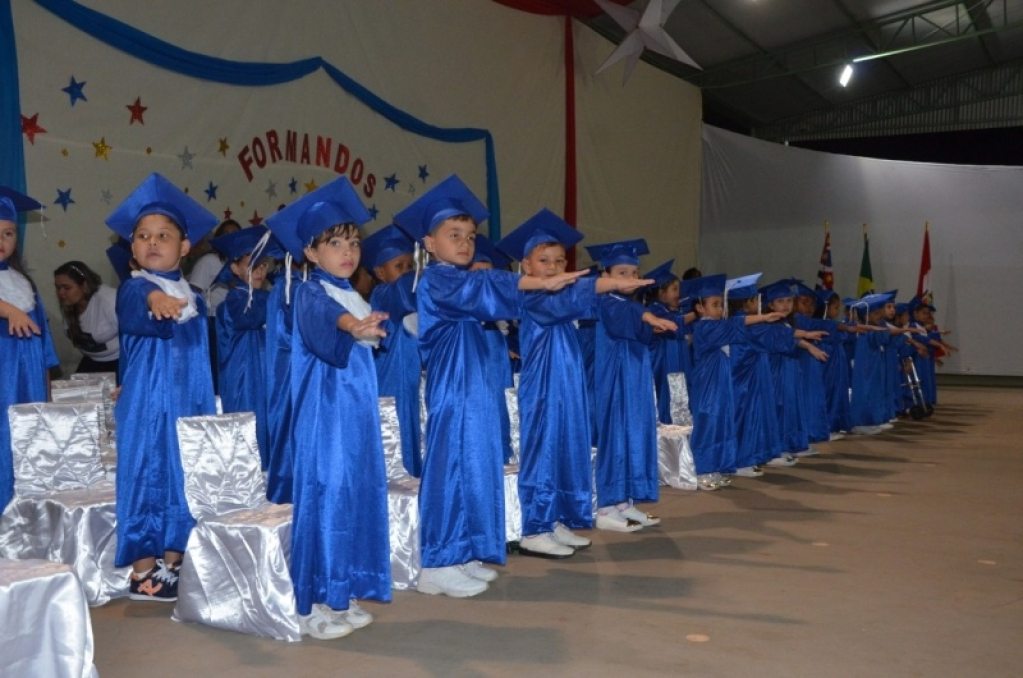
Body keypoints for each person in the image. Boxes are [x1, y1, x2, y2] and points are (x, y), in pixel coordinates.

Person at [393, 175, 586, 598]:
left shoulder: (458, 279)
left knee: (476, 467)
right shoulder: (437, 280)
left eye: (471, 235)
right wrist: (538, 282)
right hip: (453, 393)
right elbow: (482, 287)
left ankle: (462, 552)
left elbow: (483, 289)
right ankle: (436, 562)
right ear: (429, 243)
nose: (465, 242)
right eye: (453, 235)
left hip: (476, 392)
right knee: (450, 470)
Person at [265, 177, 392, 639]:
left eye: (354, 242)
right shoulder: (309, 293)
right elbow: (326, 321)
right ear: (311, 254)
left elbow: (357, 327)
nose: (348, 251)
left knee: (355, 493)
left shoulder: (356, 294)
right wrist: (352, 326)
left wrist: (367, 324)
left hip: (355, 419)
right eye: (335, 243)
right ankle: (311, 599)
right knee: (326, 496)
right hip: (326, 417)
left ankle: (343, 589)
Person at [497, 209, 653, 557]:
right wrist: (609, 283)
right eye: (543, 260)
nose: (552, 267)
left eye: (558, 260)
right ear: (526, 266)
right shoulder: (534, 297)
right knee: (543, 451)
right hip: (543, 387)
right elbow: (570, 299)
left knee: (567, 449)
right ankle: (534, 527)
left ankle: (555, 518)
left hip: (567, 384)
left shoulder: (561, 297)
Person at [105, 173, 218, 602]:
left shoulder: (196, 298)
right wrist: (158, 300)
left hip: (189, 402)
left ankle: (174, 562)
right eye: (143, 236)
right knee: (144, 477)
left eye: (164, 235)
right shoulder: (136, 289)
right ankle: (143, 571)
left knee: (182, 477)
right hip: (149, 405)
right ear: (132, 248)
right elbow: (140, 305)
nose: (153, 242)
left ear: (185, 247)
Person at [586, 239, 677, 532]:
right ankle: (605, 507)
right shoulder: (605, 302)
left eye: (634, 273)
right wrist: (648, 316)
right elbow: (625, 319)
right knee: (616, 436)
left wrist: (653, 322)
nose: (629, 279)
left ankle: (624, 501)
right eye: (621, 272)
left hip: (633, 379)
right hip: (613, 381)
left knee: (633, 433)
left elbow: (643, 332)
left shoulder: (630, 304)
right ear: (605, 275)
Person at [688, 275, 786, 488]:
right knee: (708, 425)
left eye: (721, 304)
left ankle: (715, 467)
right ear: (699, 308)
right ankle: (701, 470)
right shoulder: (703, 328)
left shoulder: (716, 326)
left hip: (720, 386)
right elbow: (732, 325)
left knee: (721, 424)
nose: (720, 309)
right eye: (714, 305)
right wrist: (760, 318)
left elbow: (737, 331)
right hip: (707, 387)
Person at [0, 187, 58, 512]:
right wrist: (7, 310)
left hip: (28, 388)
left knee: (28, 451)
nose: (1, 240)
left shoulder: (25, 285)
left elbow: (44, 345)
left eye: (8, 233)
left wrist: (47, 398)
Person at [363, 224, 422, 478]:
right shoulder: (383, 295)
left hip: (409, 382)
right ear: (380, 272)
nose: (407, 272)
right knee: (393, 440)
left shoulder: (407, 300)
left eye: (410, 266)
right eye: (399, 266)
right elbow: (406, 292)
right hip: (389, 381)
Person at [210, 226, 272, 468]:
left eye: (264, 265)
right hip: (244, 381)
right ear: (235, 269)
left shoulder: (263, 296)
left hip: (264, 378)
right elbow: (251, 317)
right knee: (248, 437)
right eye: (251, 265)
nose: (259, 271)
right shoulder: (234, 302)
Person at [263, 232, 305, 505]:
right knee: (292, 431)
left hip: (293, 369)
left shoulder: (294, 285)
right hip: (292, 371)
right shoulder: (290, 287)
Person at [469, 234, 516, 463]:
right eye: (477, 274)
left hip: (496, 371)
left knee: (499, 409)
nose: (484, 281)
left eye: (489, 275)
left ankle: (501, 454)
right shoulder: (461, 321)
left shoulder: (498, 321)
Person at [188, 219, 241, 391]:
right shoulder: (210, 260)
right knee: (216, 363)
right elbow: (194, 289)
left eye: (235, 233)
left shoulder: (241, 262)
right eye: (227, 233)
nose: (231, 237)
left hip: (234, 319)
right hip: (214, 318)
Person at [644, 259, 690, 424]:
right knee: (666, 401)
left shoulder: (672, 310)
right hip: (662, 366)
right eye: (674, 289)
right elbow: (674, 323)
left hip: (676, 365)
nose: (679, 293)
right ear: (662, 293)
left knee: (679, 401)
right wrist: (697, 315)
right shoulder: (654, 310)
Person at [54, 260, 120, 375]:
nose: (61, 293)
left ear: (84, 286)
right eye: (58, 288)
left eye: (66, 288)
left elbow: (136, 336)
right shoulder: (70, 306)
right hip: (92, 361)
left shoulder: (108, 300)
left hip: (119, 361)